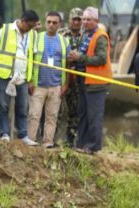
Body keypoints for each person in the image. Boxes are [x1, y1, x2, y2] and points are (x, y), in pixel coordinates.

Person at [68, 7, 111, 154]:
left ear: (96, 21)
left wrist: (80, 58)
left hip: (96, 82)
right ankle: (81, 144)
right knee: (83, 114)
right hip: (84, 80)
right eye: (84, 19)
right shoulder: (85, 34)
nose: (85, 22)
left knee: (94, 116)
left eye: (88, 19)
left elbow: (101, 58)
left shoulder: (100, 36)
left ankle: (93, 147)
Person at [0, 10, 39, 144]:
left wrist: (30, 79)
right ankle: (4, 134)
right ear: (23, 21)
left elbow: (32, 56)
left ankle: (23, 135)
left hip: (23, 76)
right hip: (5, 75)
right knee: (3, 105)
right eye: (29, 26)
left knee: (22, 107)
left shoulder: (33, 35)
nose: (30, 29)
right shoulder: (5, 30)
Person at [27, 11, 69, 148]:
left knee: (52, 116)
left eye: (54, 23)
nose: (51, 25)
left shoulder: (64, 41)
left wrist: (66, 84)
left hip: (56, 86)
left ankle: (48, 142)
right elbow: (29, 60)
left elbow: (68, 64)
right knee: (34, 114)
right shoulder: (36, 38)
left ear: (59, 24)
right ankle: (31, 140)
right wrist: (30, 80)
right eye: (49, 22)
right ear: (45, 22)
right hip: (38, 85)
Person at [57, 7, 82, 147]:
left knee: (75, 111)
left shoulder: (85, 36)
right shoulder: (61, 33)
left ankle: (70, 140)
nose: (77, 22)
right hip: (61, 76)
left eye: (79, 19)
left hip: (77, 79)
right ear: (69, 20)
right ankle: (50, 139)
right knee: (57, 110)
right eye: (74, 19)